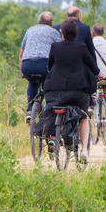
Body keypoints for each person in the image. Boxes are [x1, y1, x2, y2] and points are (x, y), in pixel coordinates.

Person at [43, 19, 100, 160]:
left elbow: (50, 66)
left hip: (55, 90)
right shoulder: (81, 47)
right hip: (78, 91)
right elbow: (94, 67)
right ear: (76, 33)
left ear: (61, 33)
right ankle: (84, 151)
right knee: (83, 116)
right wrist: (100, 74)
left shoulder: (55, 47)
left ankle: (52, 137)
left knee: (51, 109)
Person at [19, 11, 61, 117]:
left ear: (39, 21)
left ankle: (29, 111)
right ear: (51, 22)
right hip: (44, 64)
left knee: (32, 82)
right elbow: (60, 50)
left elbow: (21, 53)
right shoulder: (54, 32)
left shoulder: (30, 30)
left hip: (27, 64)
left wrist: (22, 71)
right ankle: (49, 109)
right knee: (49, 84)